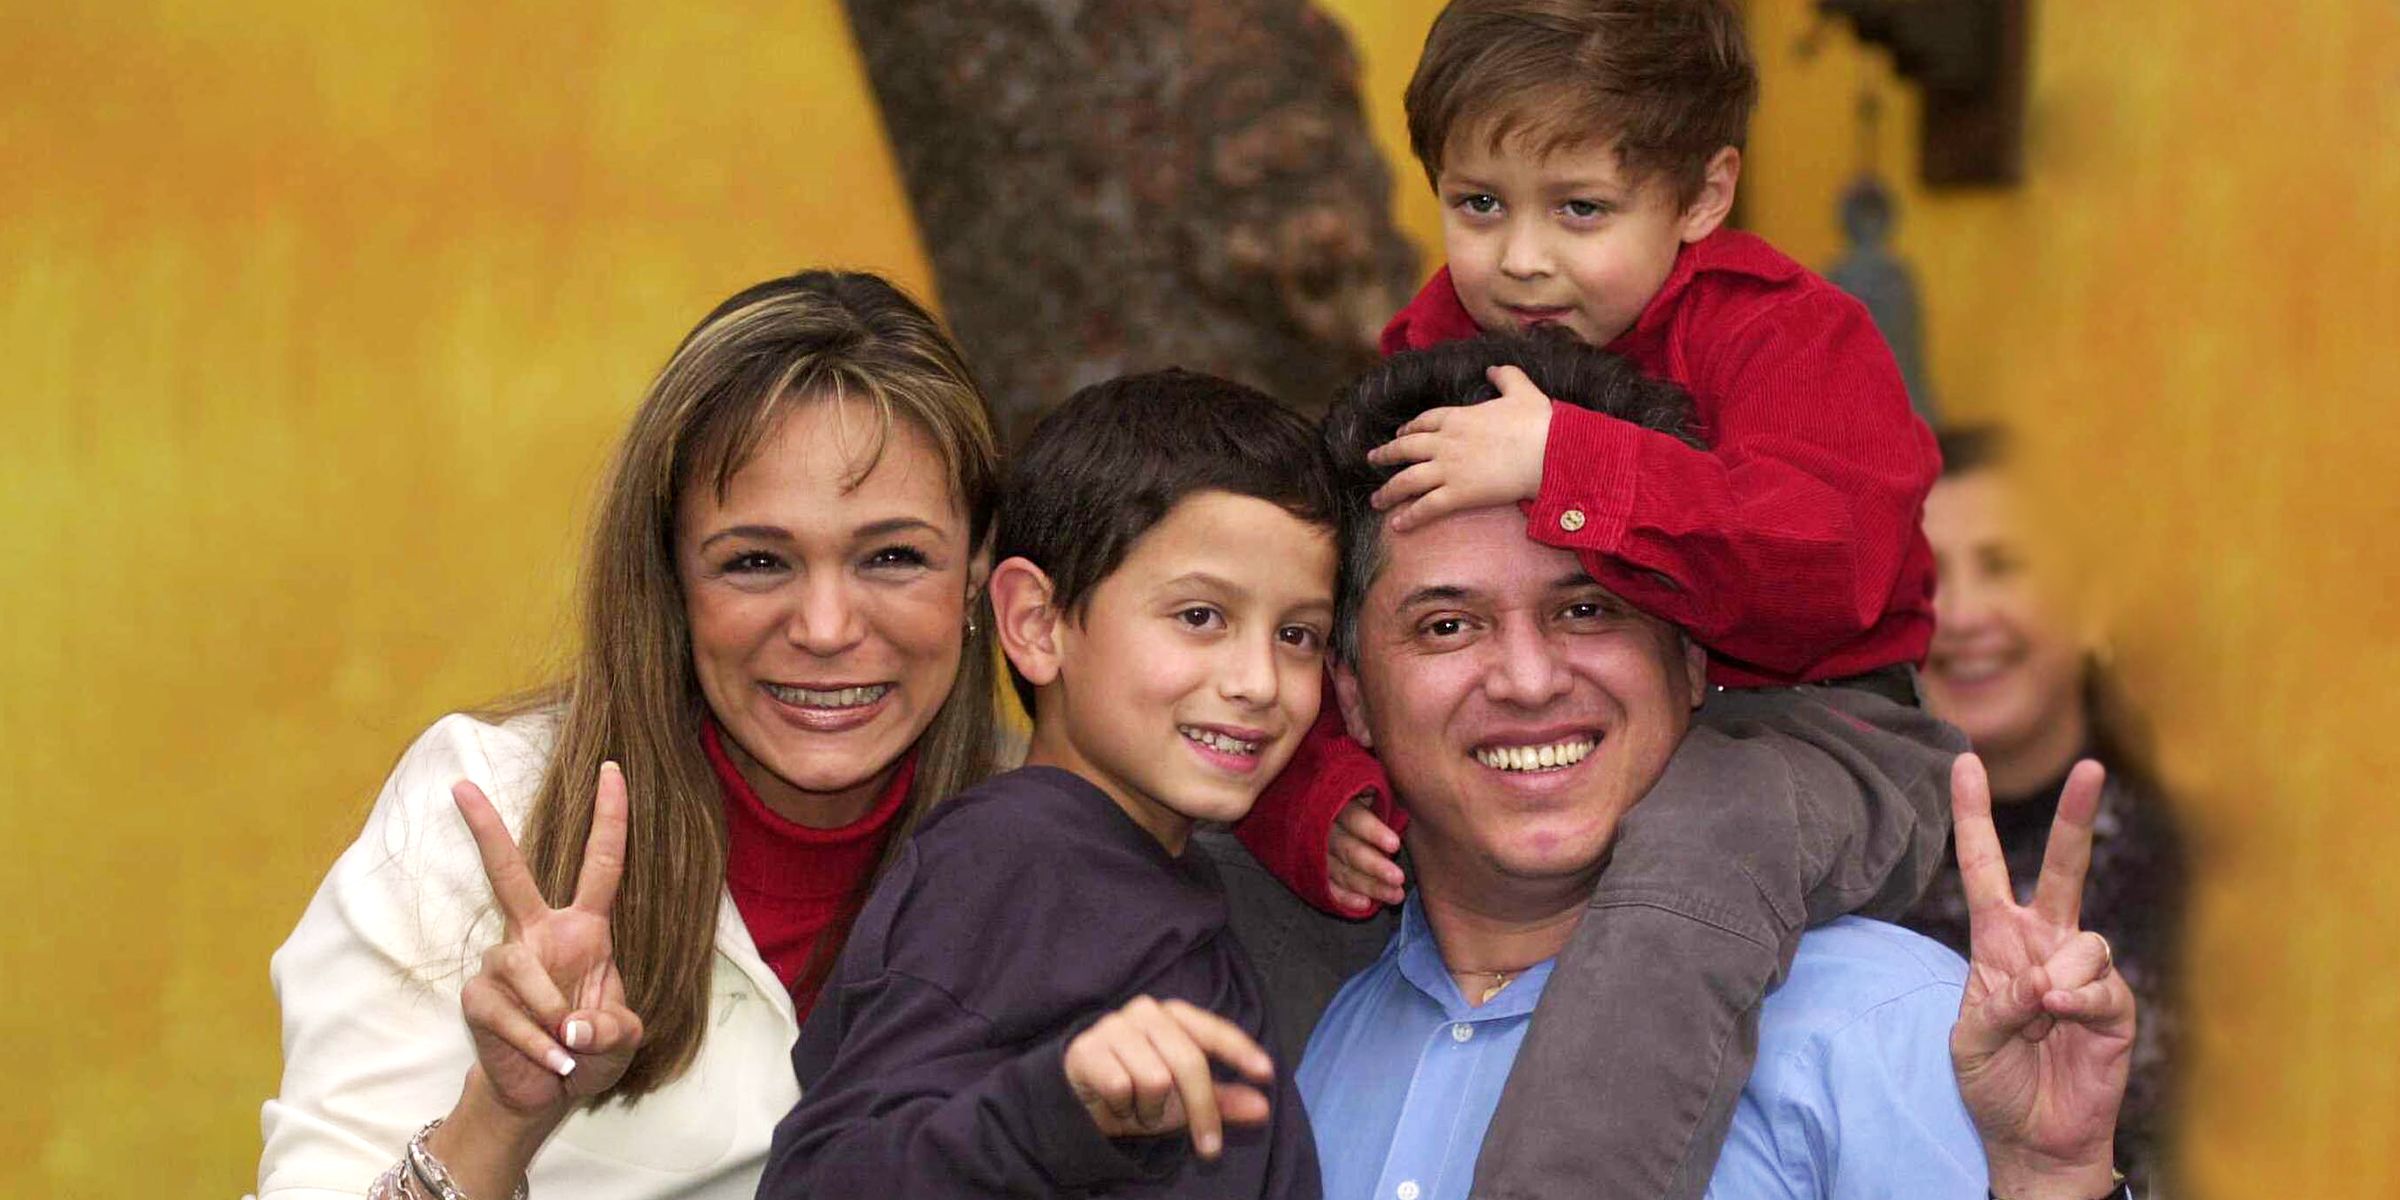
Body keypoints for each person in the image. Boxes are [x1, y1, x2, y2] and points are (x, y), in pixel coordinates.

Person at [1234, 4, 1961, 1197]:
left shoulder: (1791, 336)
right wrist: (1318, 794)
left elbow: (1834, 566)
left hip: (1823, 724)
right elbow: (1347, 606)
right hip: (1635, 729)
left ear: (1702, 196)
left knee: (1691, 860)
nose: (1522, 259)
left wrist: (1572, 467)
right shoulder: (1435, 345)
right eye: (1479, 205)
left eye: (1580, 209)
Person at [1288, 335, 2137, 1200]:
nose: (1530, 680)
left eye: (1587, 610)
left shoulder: (1891, 1027)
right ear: (1350, 693)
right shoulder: (1279, 1039)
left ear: (1694, 660)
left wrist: (2047, 1185)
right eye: (1447, 626)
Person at [252, 270, 1006, 1200]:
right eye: (757, 561)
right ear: (670, 580)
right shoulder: (492, 807)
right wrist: (502, 1114)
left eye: (892, 556)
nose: (824, 626)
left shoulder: (1065, 842)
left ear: (980, 573)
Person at [756, 370, 1334, 1199]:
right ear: (1034, 623)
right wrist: (1056, 1114)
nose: (1259, 681)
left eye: (1298, 634)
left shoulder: (1157, 869)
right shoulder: (1013, 861)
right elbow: (819, 1183)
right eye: (1200, 617)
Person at [1906, 424, 2187, 1193]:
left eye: (2004, 566)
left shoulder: (2216, 868)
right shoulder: (1850, 870)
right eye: (1928, 579)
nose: (1961, 616)